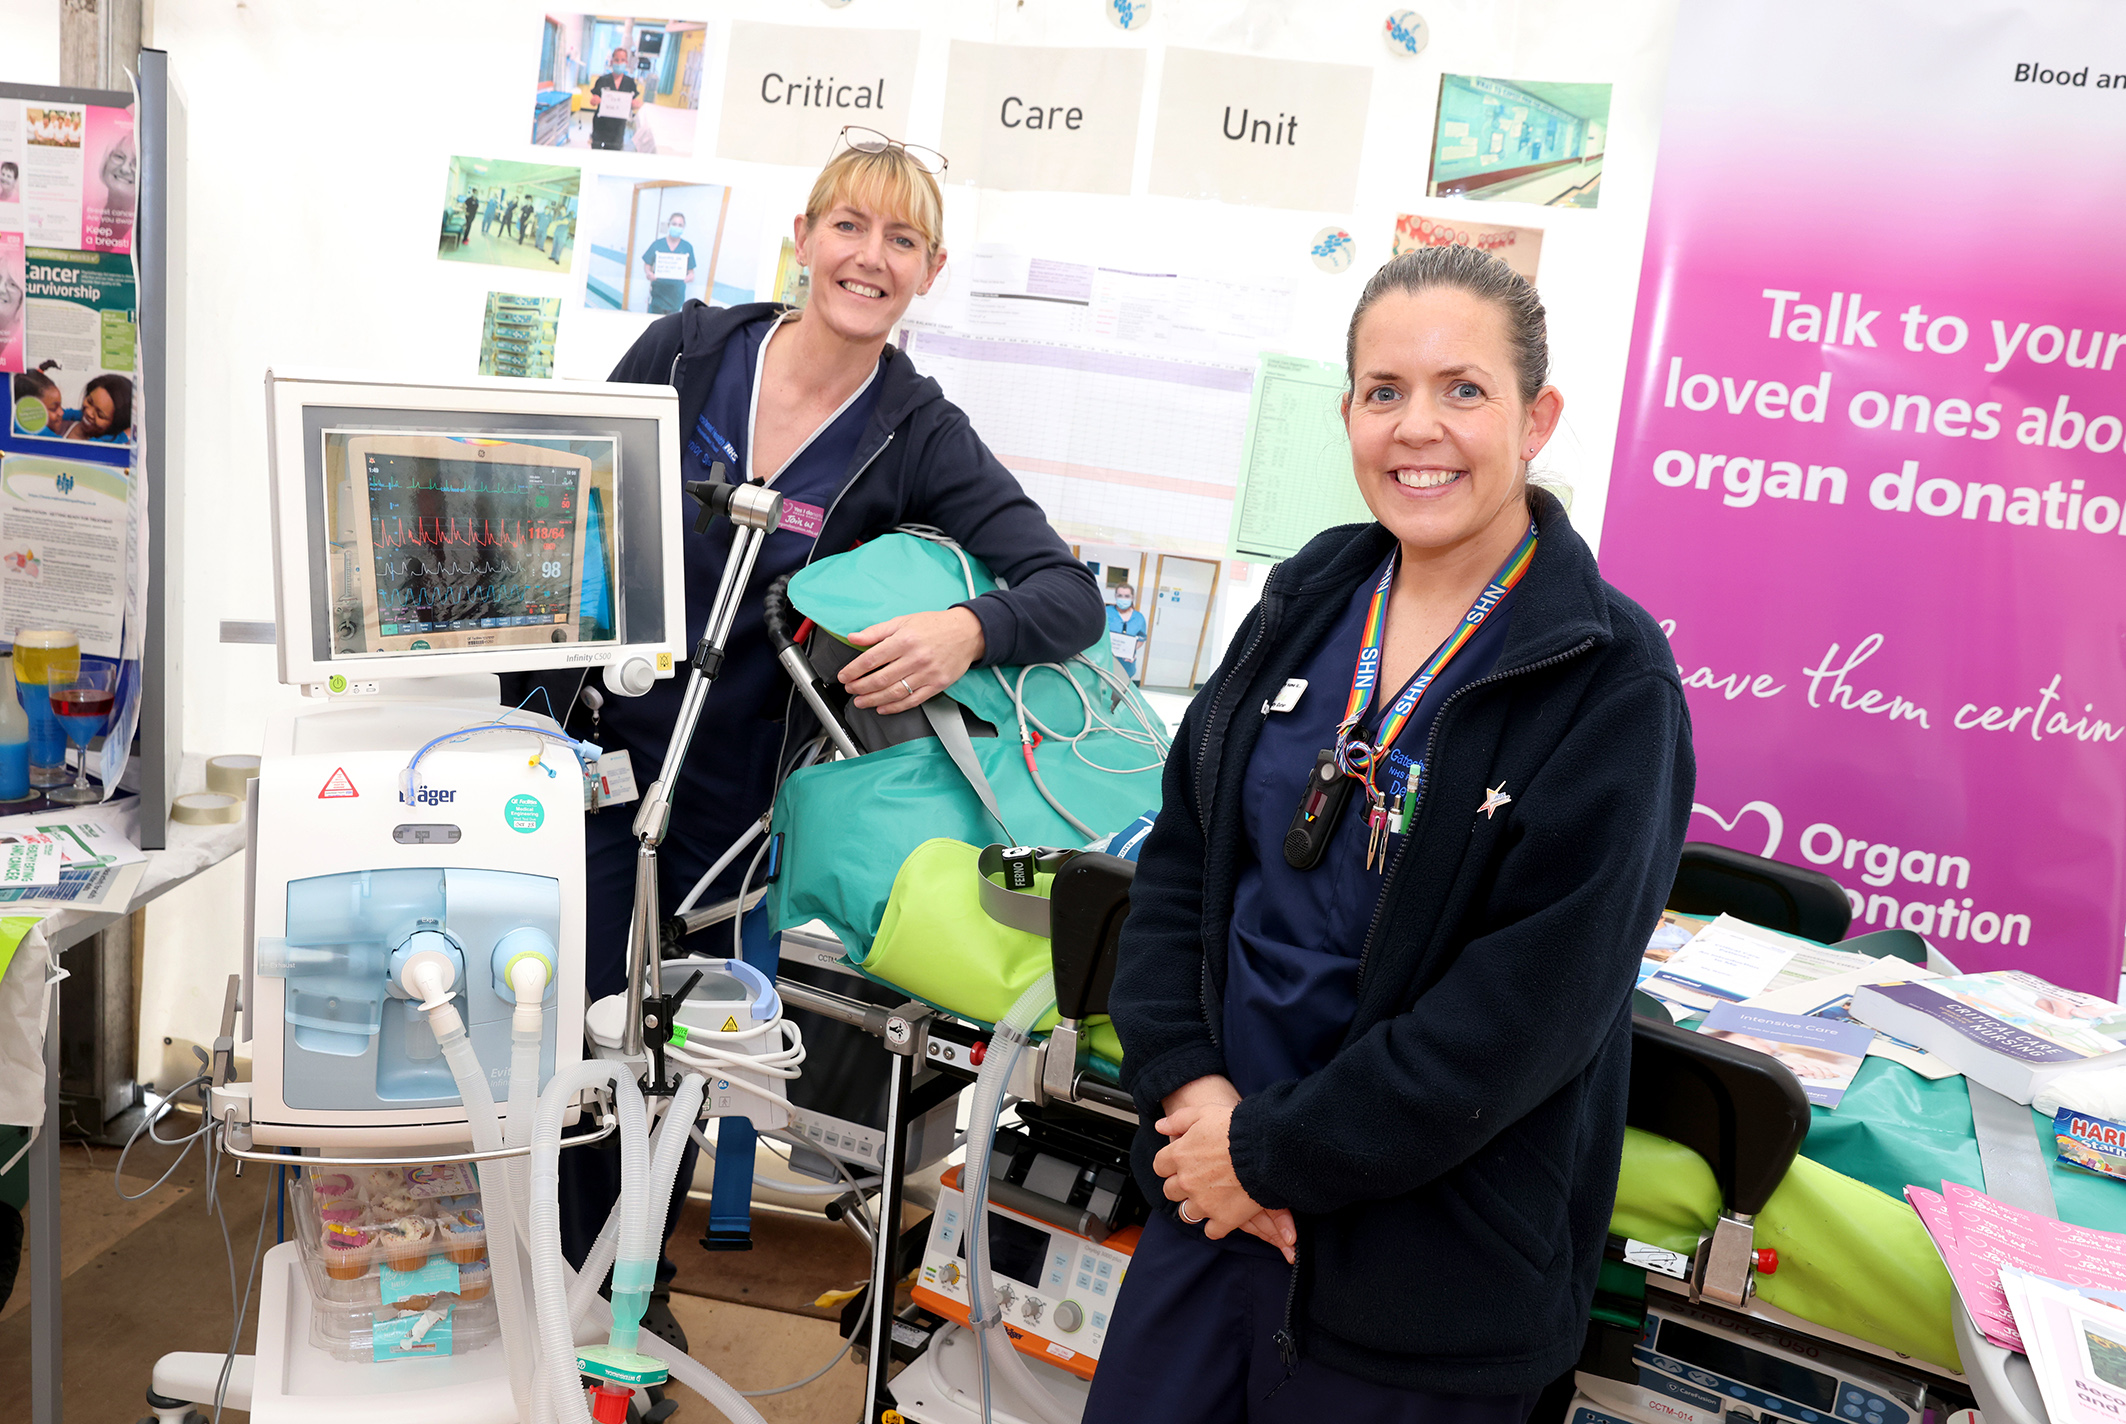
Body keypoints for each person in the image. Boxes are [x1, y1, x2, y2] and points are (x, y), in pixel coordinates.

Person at [1090, 245, 1695, 1420]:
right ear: (1349, 414)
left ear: (1536, 418)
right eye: (1384, 391)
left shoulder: (1607, 681)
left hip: (1418, 1280)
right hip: (1205, 1202)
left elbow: (1518, 1019)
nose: (1418, 427)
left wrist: (1268, 1152)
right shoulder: (1310, 596)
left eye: (1462, 389)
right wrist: (1191, 1101)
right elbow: (1177, 866)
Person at [547, 130, 1103, 1347]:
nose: (869, 256)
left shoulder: (915, 430)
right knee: (564, 1057)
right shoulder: (688, 353)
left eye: (900, 239)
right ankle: (569, 1303)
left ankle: (621, 1309)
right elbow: (558, 501)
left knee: (667, 1073)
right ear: (801, 238)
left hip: (727, 814)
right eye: (847, 225)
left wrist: (967, 626)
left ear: (929, 271)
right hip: (587, 765)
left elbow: (1068, 595)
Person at [640, 211, 695, 314]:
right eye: (674, 224)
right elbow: (647, 264)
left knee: (671, 327)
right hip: (658, 296)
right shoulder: (657, 244)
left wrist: (690, 277)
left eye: (680, 225)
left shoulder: (687, 247)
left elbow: (691, 272)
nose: (676, 227)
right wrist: (648, 273)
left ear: (683, 228)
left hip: (676, 297)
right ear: (669, 225)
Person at [588, 48, 640, 152]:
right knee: (596, 153)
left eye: (622, 60)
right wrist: (594, 100)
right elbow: (593, 102)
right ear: (612, 61)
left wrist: (635, 105)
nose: (619, 63)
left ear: (626, 62)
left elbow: (633, 104)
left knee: (613, 154)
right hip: (601, 124)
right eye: (616, 60)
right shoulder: (602, 80)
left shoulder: (629, 83)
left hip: (618, 126)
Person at [64, 373, 132, 444]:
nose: (88, 412)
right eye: (89, 401)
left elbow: (91, 448)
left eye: (100, 415)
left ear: (116, 425)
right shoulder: (68, 421)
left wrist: (121, 437)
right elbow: (75, 413)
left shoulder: (119, 442)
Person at [1105, 583, 1148, 680]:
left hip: (1127, 663)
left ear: (1132, 598)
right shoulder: (1106, 612)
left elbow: (1141, 639)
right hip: (1107, 660)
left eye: (1127, 596)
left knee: (1121, 689)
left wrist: (1131, 652)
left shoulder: (1139, 618)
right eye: (1120, 595)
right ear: (1115, 596)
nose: (1123, 599)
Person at [12, 370, 64, 436]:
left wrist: (79, 414)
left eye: (60, 406)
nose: (62, 412)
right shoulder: (38, 433)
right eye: (53, 409)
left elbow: (67, 413)